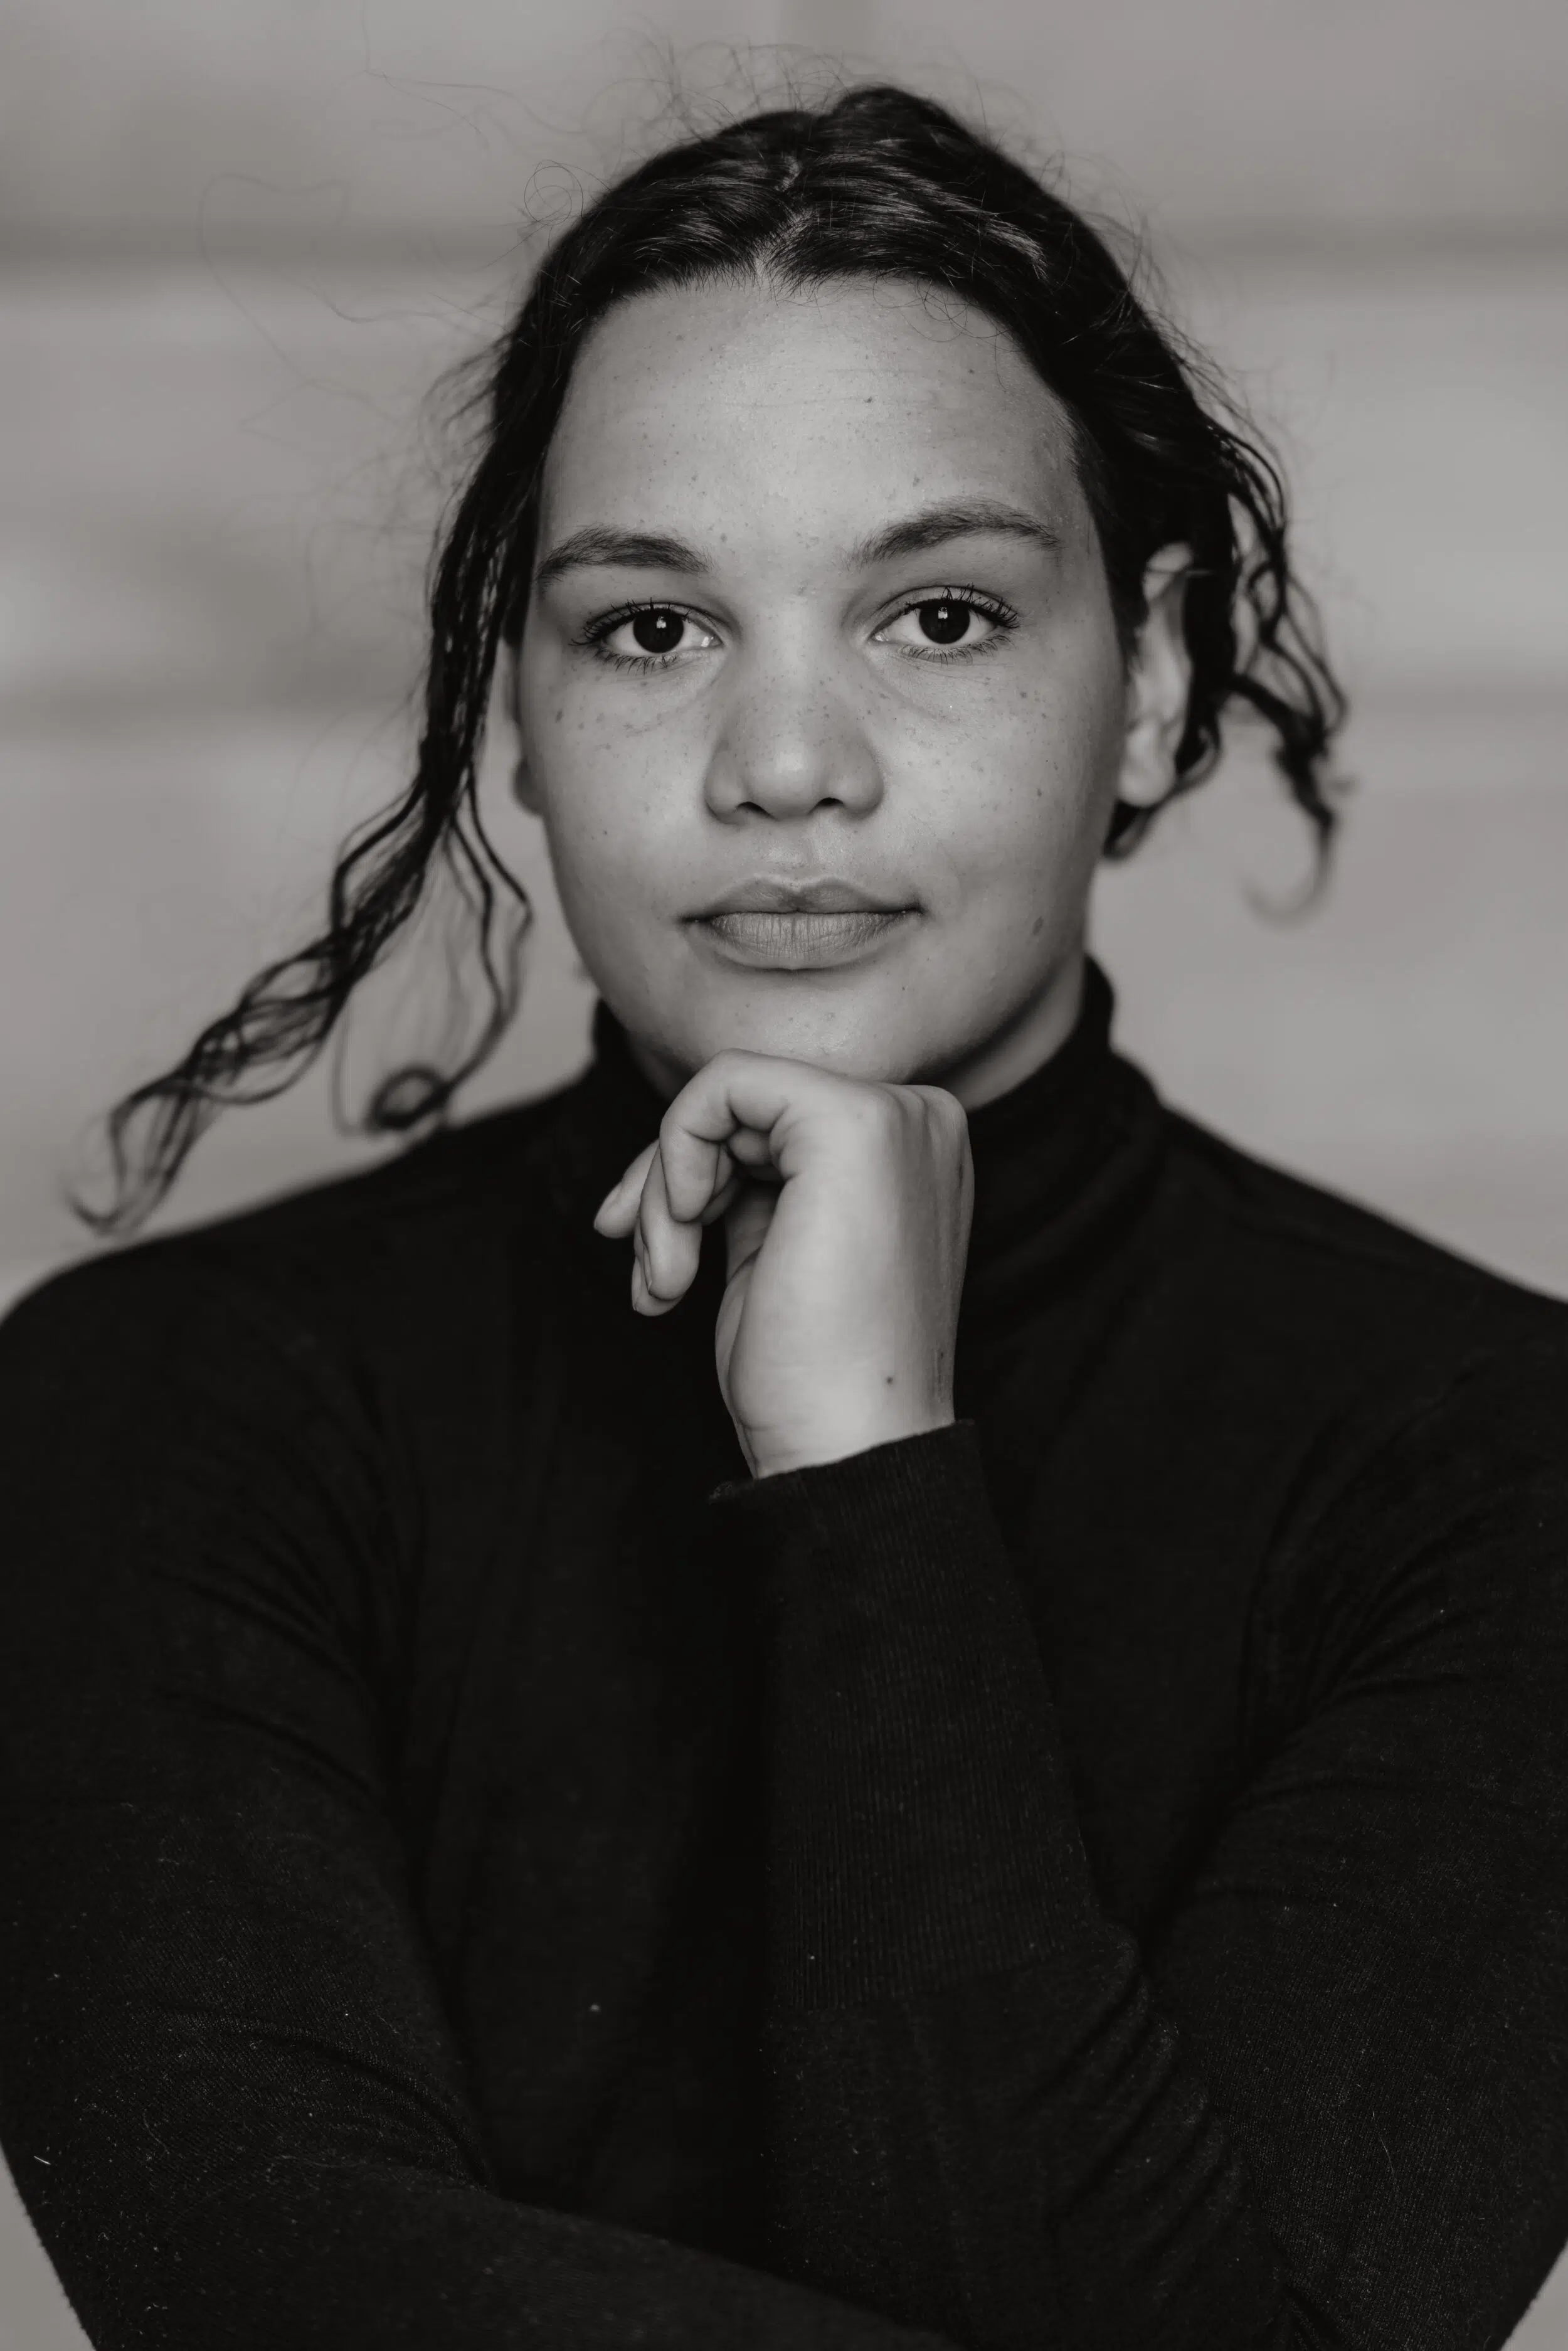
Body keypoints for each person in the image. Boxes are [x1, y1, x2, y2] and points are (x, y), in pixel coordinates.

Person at [1, 78, 1565, 2351]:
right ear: (515, 713)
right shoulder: (154, 1407)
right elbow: (259, 2257)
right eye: (652, 628)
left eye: (936, 613)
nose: (785, 765)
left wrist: (867, 1473)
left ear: (1147, 681)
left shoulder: (1502, 1467)